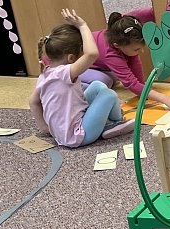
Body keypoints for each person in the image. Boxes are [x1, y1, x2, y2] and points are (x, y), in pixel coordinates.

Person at [29, 9, 134, 147]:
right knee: (109, 94)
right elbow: (92, 54)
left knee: (97, 86)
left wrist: (46, 128)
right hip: (78, 136)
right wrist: (83, 26)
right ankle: (116, 122)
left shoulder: (46, 72)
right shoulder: (63, 72)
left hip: (64, 132)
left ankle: (108, 121)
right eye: (81, 53)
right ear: (71, 58)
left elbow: (33, 101)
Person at [78, 12, 170, 111]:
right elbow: (131, 83)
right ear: (117, 45)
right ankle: (77, 87)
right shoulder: (111, 53)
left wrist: (145, 90)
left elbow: (136, 69)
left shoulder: (126, 42)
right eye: (137, 49)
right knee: (103, 82)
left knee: (116, 77)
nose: (141, 51)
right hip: (78, 66)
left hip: (100, 66)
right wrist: (164, 98)